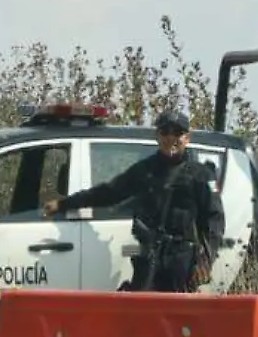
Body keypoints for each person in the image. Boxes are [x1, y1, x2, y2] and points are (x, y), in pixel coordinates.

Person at [42, 108, 226, 292]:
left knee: (178, 316)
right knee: (141, 312)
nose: (171, 138)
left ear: (187, 138)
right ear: (157, 136)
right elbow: (109, 192)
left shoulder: (201, 175)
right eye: (165, 132)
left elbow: (214, 221)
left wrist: (205, 262)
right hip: (148, 256)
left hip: (181, 261)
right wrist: (63, 204)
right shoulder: (144, 170)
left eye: (178, 132)